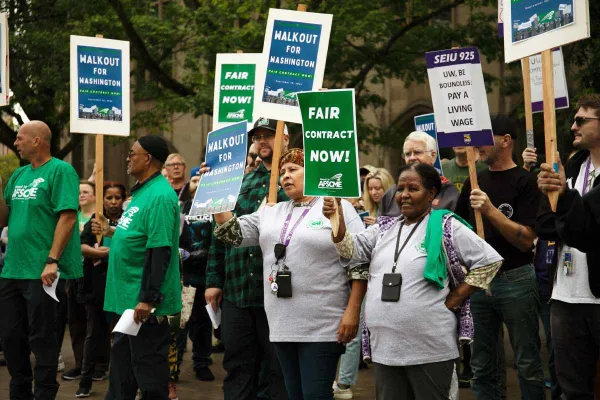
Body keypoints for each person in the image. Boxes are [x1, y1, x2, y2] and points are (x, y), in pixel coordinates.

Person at [324, 163, 502, 400]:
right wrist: (337, 216)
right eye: (400, 188)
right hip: (385, 348)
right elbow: (350, 250)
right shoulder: (384, 229)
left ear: (431, 194)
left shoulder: (446, 225)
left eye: (413, 188)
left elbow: (490, 260)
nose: (404, 195)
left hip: (430, 348)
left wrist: (457, 296)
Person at [212, 148, 368, 399]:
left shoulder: (336, 206)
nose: (285, 176)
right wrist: (215, 190)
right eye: (282, 172)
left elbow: (359, 262)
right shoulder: (271, 209)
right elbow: (231, 233)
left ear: (313, 173)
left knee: (315, 395)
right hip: (281, 323)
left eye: (293, 169)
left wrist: (353, 311)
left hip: (322, 324)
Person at [455, 114, 545, 399]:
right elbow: (456, 229)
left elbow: (526, 240)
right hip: (478, 283)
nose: (477, 145)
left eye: (485, 136)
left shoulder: (526, 182)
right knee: (482, 365)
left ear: (506, 141)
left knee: (527, 363)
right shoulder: (474, 180)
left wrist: (490, 210)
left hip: (515, 278)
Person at [92, 135, 183, 399]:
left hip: (144, 307)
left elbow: (160, 250)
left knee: (150, 377)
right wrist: (110, 230)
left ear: (149, 159)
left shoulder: (161, 196)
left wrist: (148, 299)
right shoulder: (141, 192)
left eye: (133, 154)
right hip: (127, 302)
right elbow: (137, 235)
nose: (128, 158)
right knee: (121, 376)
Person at [205, 117, 289, 400]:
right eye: (258, 137)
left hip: (275, 291)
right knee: (238, 365)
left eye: (269, 135)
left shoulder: (295, 181)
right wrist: (214, 281)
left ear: (285, 139)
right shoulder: (240, 183)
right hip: (237, 289)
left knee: (275, 367)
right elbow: (219, 234)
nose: (262, 141)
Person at [0, 121, 83, 399]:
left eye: (20, 138)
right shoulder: (19, 175)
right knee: (11, 338)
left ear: (37, 141)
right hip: (12, 269)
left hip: (42, 272)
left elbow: (68, 216)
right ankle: (20, 391)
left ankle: (44, 393)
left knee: (43, 339)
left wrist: (52, 260)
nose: (16, 143)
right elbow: (5, 215)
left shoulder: (61, 171)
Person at [536, 94, 600, 399]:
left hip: (597, 295)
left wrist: (565, 202)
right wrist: (559, 199)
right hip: (565, 296)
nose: (573, 126)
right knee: (571, 389)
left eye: (582, 120)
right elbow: (546, 224)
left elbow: (588, 228)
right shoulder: (573, 167)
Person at [75, 181, 126, 397]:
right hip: (96, 285)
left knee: (120, 335)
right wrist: (102, 254)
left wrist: (114, 252)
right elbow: (82, 246)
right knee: (93, 333)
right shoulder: (96, 221)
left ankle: (120, 381)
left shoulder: (127, 221)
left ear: (123, 199)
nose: (113, 202)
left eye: (117, 197)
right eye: (109, 197)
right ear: (102, 199)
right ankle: (85, 382)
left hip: (121, 285)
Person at [379, 131, 459, 216]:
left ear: (433, 156)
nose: (412, 158)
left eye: (417, 152)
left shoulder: (447, 192)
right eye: (408, 154)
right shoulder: (391, 193)